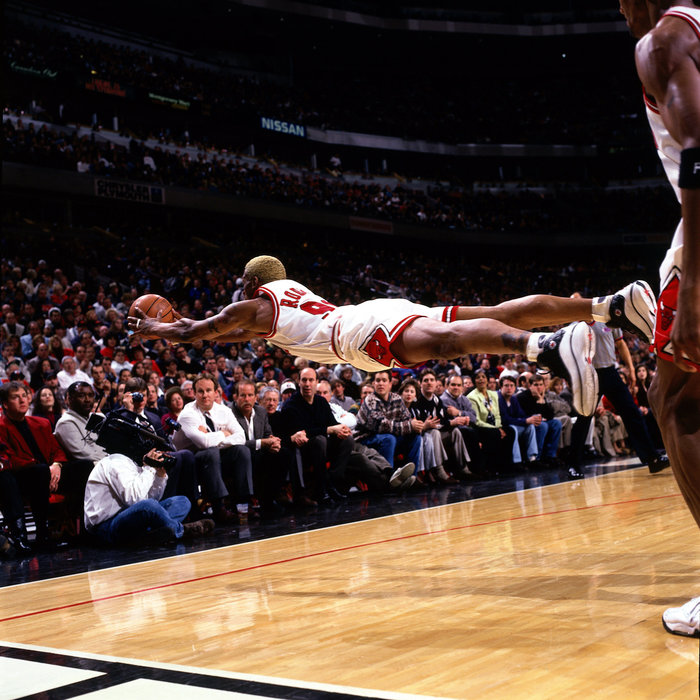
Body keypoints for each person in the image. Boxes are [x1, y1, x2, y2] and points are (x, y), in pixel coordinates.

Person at [129, 255, 659, 419]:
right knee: (496, 312)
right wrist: (177, 332)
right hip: (372, 314)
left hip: (355, 333)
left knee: (451, 343)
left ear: (250, 284)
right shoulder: (279, 304)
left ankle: (544, 347)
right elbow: (215, 338)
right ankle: (608, 306)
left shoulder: (253, 303)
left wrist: (155, 327)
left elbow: (200, 330)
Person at [618, 0, 700, 638]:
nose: (619, 8)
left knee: (676, 403)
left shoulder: (663, 40)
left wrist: (694, 280)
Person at [83, 448, 214, 546]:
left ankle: (148, 537)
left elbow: (152, 498)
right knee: (149, 506)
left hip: (131, 519)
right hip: (106, 527)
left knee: (182, 501)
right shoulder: (114, 462)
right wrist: (149, 468)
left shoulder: (132, 463)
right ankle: (181, 530)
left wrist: (159, 477)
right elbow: (135, 500)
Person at [173, 373, 252, 524]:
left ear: (216, 392)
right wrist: (224, 433)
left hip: (216, 456)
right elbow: (203, 443)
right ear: (194, 393)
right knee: (210, 452)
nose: (205, 395)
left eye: (208, 390)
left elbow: (241, 437)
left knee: (242, 451)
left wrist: (213, 438)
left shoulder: (224, 410)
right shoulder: (187, 414)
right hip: (191, 462)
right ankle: (219, 508)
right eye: (200, 391)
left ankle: (243, 504)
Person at [0, 381, 68, 552]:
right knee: (37, 472)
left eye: (24, 396)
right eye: (16, 397)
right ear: (5, 404)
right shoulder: (1, 427)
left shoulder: (41, 423)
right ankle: (37, 535)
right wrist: (45, 469)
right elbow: (8, 460)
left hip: (48, 471)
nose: (22, 400)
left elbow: (57, 450)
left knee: (83, 467)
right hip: (20, 477)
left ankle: (86, 528)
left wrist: (57, 465)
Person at [278, 367, 353, 503]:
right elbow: (302, 432)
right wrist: (329, 430)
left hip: (322, 447)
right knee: (320, 440)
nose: (307, 384)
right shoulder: (291, 405)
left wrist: (342, 429)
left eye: (311, 380)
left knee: (347, 439)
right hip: (301, 450)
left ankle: (332, 481)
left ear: (317, 382)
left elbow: (332, 423)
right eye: (304, 380)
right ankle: (321, 490)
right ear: (298, 382)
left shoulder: (321, 401)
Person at [231, 379, 288, 517]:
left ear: (255, 397)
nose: (247, 399)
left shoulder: (261, 411)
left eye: (250, 395)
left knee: (283, 453)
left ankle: (269, 499)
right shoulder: (229, 413)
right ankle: (247, 502)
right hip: (237, 455)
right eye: (243, 395)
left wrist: (273, 442)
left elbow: (268, 433)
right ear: (235, 397)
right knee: (247, 454)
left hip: (259, 453)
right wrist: (261, 443)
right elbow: (235, 442)